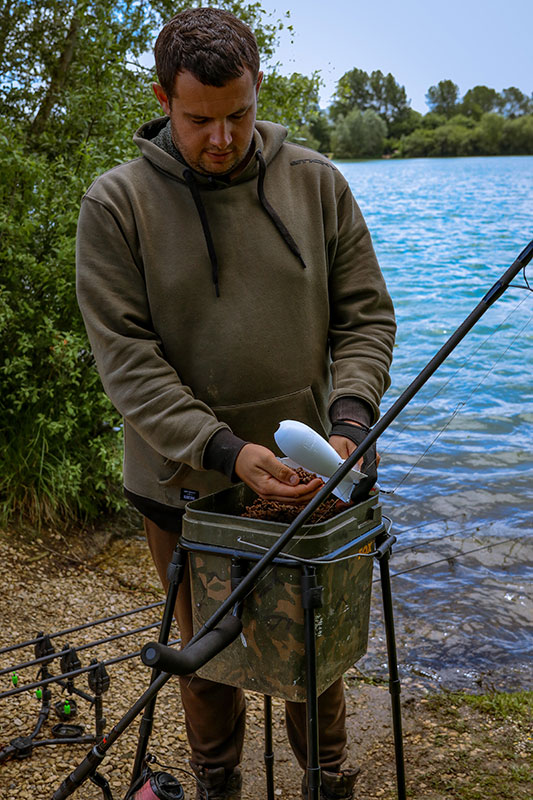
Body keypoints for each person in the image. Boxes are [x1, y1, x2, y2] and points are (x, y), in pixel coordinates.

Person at [76, 7, 396, 799]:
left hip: (311, 474)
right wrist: (226, 450)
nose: (221, 138)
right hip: (184, 479)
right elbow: (128, 363)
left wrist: (349, 422)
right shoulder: (116, 205)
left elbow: (366, 318)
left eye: (238, 114)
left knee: (313, 647)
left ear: (258, 89)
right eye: (199, 120)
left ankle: (326, 781)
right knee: (204, 653)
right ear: (161, 98)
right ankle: (216, 784)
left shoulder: (317, 182)